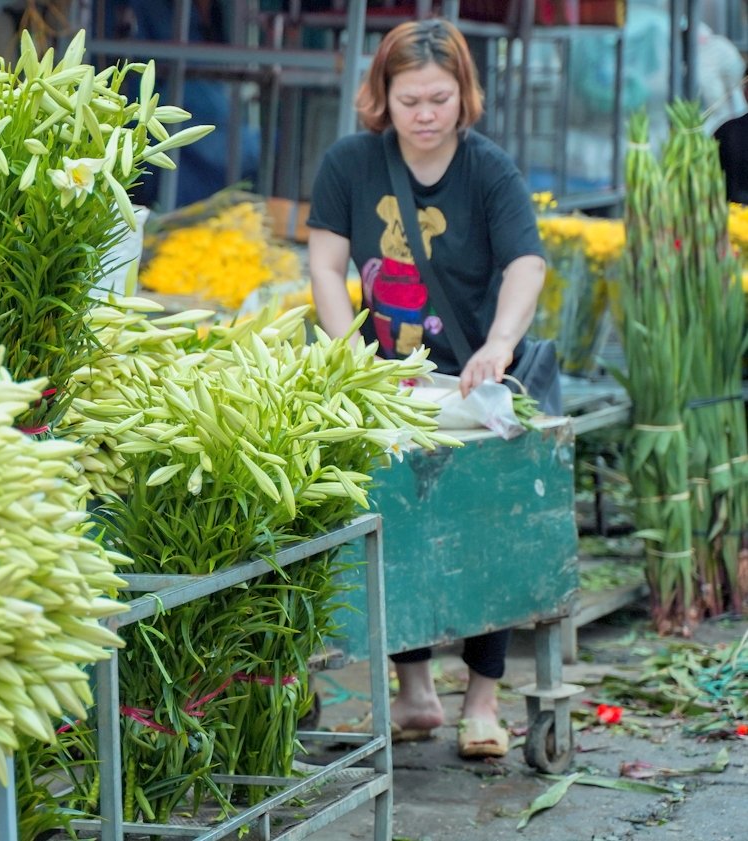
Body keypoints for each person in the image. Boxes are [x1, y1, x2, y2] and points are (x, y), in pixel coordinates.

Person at [305, 18, 547, 759]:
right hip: (387, 383)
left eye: (439, 97)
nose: (425, 114)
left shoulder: (489, 170)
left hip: (474, 377)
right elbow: (324, 267)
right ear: (382, 96)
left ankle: (482, 698)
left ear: (463, 94)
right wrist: (353, 357)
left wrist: (501, 344)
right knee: (391, 516)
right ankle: (413, 692)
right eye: (408, 98)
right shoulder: (350, 164)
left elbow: (526, 266)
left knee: (486, 523)